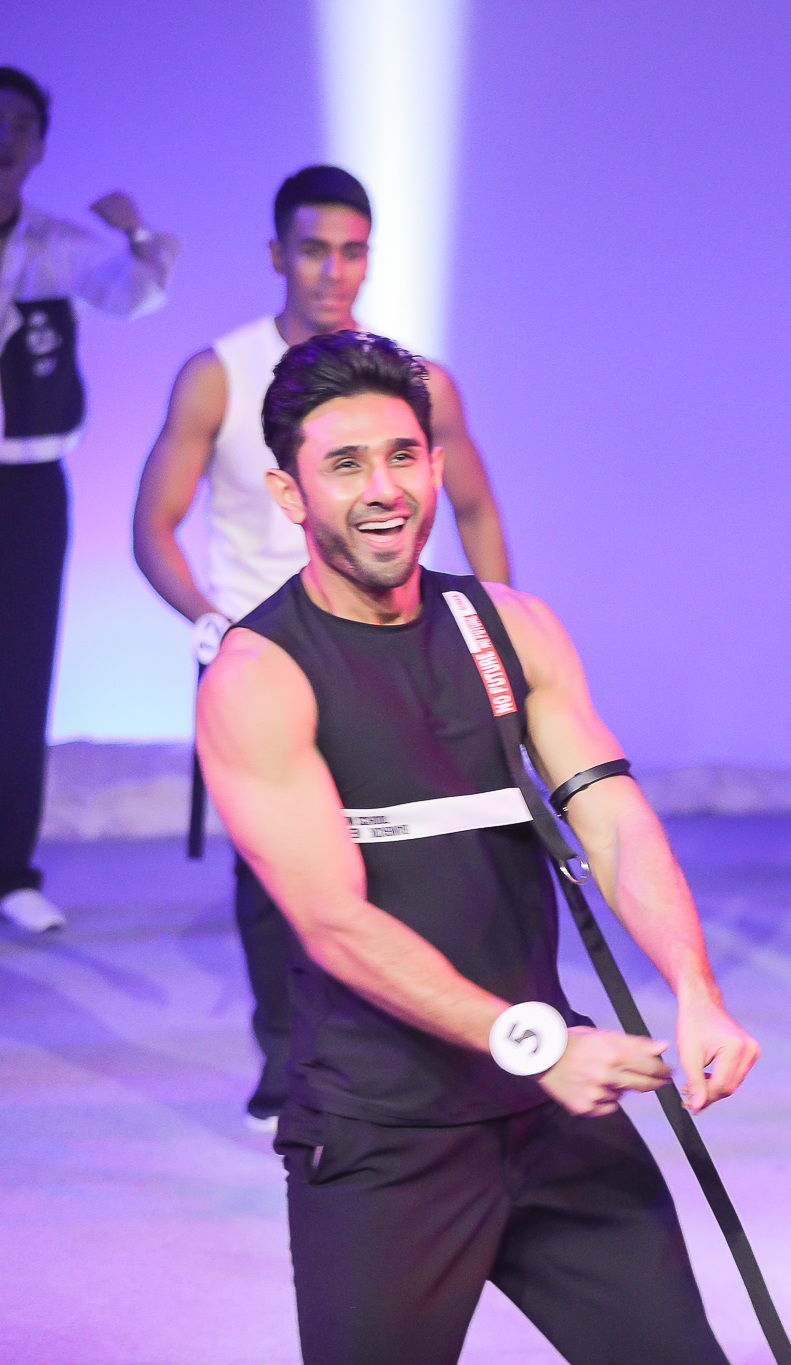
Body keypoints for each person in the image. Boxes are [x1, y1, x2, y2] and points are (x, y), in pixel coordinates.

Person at [197, 330, 754, 1365]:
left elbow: (612, 817)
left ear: (436, 464)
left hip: (553, 1108)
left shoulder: (510, 625)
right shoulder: (258, 678)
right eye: (346, 464)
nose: (384, 489)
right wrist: (535, 1043)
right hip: (384, 1134)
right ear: (288, 493)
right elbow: (334, 922)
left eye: (403, 456)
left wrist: (694, 985)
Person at [133, 165, 512, 1131]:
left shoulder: (412, 385)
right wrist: (211, 624)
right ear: (277, 255)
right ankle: (289, 1066)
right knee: (276, 874)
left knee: (426, 848)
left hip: (396, 642)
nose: (333, 270)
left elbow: (474, 505)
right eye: (313, 249)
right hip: (266, 653)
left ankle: (451, 1045)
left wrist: (495, 630)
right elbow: (154, 525)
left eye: (351, 251)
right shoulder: (220, 373)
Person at [0, 66, 178, 934]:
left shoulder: (55, 245)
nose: (4, 138)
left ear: (38, 148)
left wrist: (136, 230)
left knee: (20, 675)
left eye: (20, 126)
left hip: (29, 483)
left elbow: (137, 293)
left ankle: (9, 874)